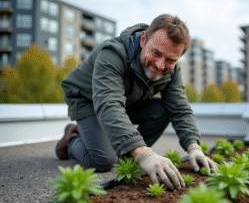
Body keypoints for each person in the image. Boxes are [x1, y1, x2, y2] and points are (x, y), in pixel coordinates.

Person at [56, 14, 217, 190]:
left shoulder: (171, 70)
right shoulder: (112, 54)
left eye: (170, 60)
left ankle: (126, 151)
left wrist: (194, 147)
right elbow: (109, 104)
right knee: (103, 161)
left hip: (125, 101)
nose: (160, 65)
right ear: (143, 39)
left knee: (162, 110)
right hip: (88, 99)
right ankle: (72, 137)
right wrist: (145, 154)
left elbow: (179, 108)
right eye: (156, 53)